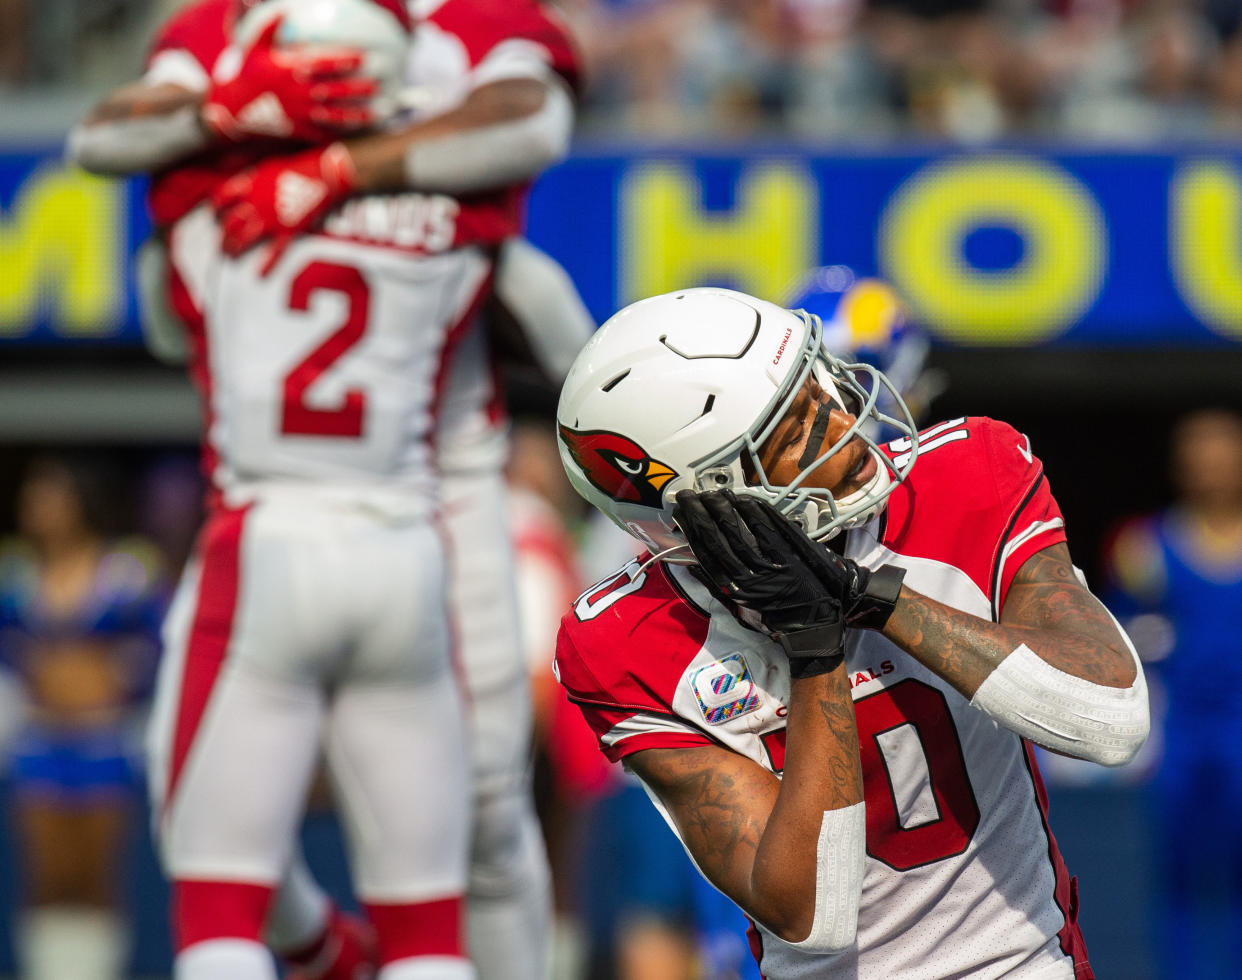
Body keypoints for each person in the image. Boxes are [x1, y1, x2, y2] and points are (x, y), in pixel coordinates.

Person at [68, 3, 587, 977]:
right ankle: (317, 945)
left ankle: (312, 946)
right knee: (418, 865)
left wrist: (325, 167)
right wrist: (244, 117)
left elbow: (113, 179)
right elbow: (561, 323)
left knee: (451, 811)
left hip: (397, 489)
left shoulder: (205, 202)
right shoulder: (460, 222)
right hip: (400, 514)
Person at [553, 286, 1149, 978]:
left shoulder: (965, 473)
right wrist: (814, 650)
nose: (843, 424)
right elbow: (814, 914)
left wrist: (875, 600)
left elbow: (1110, 719)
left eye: (818, 382)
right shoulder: (628, 638)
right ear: (710, 493)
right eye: (796, 427)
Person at [0, 457, 167, 980]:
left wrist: (124, 680)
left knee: (97, 881)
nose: (41, 509)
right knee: (46, 879)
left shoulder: (126, 572)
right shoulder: (17, 575)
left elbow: (162, 645)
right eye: (33, 499)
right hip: (40, 740)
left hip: (104, 740)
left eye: (52, 497)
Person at [1103, 408, 1242, 980]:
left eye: (1220, 452)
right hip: (1181, 736)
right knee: (1176, 877)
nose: (1208, 466)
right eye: (1196, 454)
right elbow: (1109, 641)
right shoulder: (1144, 548)